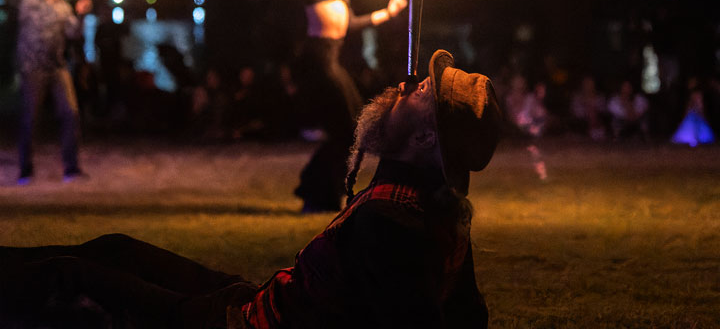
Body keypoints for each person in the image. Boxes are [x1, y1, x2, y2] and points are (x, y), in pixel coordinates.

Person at [0, 49, 505, 329]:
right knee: (114, 249)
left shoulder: (394, 223)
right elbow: (468, 314)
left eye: (422, 94)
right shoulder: (436, 207)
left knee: (72, 277)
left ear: (425, 137)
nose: (406, 84)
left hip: (234, 324)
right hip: (263, 299)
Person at [288, 0, 407, 213]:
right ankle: (316, 194)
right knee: (348, 127)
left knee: (354, 125)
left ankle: (315, 189)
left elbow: (349, 23)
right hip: (317, 60)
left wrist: (386, 13)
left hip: (331, 59)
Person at [15, 0, 93, 184]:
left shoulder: (62, 7)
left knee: (70, 114)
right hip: (32, 67)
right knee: (30, 118)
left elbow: (73, 34)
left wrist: (80, 14)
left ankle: (72, 169)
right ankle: (25, 170)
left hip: (57, 67)